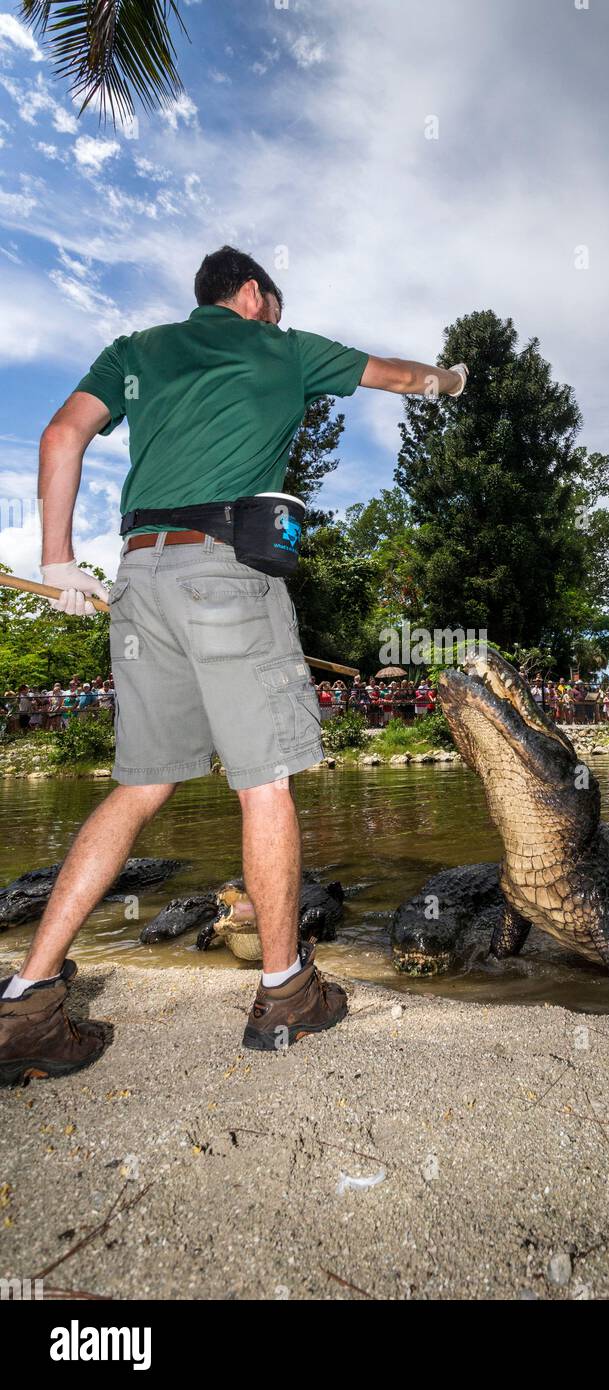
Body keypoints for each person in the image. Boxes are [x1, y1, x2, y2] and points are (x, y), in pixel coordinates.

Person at [0, 244, 469, 1084]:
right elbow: (400, 378)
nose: (278, 320)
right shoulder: (283, 349)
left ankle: (28, 997)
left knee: (140, 786)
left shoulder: (136, 349)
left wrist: (61, 560)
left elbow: (60, 434)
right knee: (265, 781)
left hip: (138, 575)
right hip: (226, 572)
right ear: (253, 294)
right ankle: (286, 991)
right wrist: (458, 379)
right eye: (276, 306)